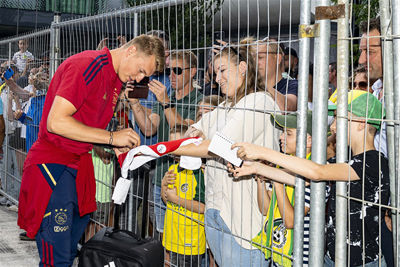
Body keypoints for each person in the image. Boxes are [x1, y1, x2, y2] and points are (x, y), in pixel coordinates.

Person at [17, 34, 165, 266]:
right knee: (57, 258)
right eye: (140, 71)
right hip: (54, 166)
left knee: (70, 251)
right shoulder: (88, 65)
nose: (139, 79)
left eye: (144, 76)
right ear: (131, 51)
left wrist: (114, 144)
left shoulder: (115, 79)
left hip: (78, 166)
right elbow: (55, 123)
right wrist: (111, 137)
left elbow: (83, 125)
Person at [231, 90, 390, 267]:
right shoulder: (342, 161)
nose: (333, 127)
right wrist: (255, 167)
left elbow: (317, 172)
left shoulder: (374, 162)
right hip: (333, 258)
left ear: (361, 123)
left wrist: (262, 152)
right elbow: (302, 179)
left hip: (363, 263)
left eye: (339, 118)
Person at [171, 40, 281, 267]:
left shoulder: (258, 101)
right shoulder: (225, 106)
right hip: (218, 209)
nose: (217, 78)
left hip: (245, 221)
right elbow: (194, 132)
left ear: (242, 68)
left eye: (222, 70)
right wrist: (193, 140)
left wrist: (164, 148)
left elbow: (219, 145)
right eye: (215, 71)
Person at [126, 50, 203, 236]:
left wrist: (167, 103)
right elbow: (149, 128)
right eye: (169, 71)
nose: (172, 76)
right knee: (162, 236)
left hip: (188, 183)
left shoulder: (199, 101)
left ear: (192, 71)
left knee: (183, 240)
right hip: (162, 176)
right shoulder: (166, 97)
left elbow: (184, 136)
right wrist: (134, 103)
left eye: (177, 70)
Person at [161, 124, 206, 266]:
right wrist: (163, 185)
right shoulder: (173, 168)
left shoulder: (200, 173)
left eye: (178, 144)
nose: (174, 149)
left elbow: (202, 208)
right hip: (172, 238)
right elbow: (167, 201)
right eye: (172, 144)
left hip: (190, 243)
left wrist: (176, 199)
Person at [256, 38, 298, 111]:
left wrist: (262, 85)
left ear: (278, 58)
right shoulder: (250, 87)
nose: (255, 62)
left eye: (260, 57)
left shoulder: (293, 85)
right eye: (252, 59)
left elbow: (286, 107)